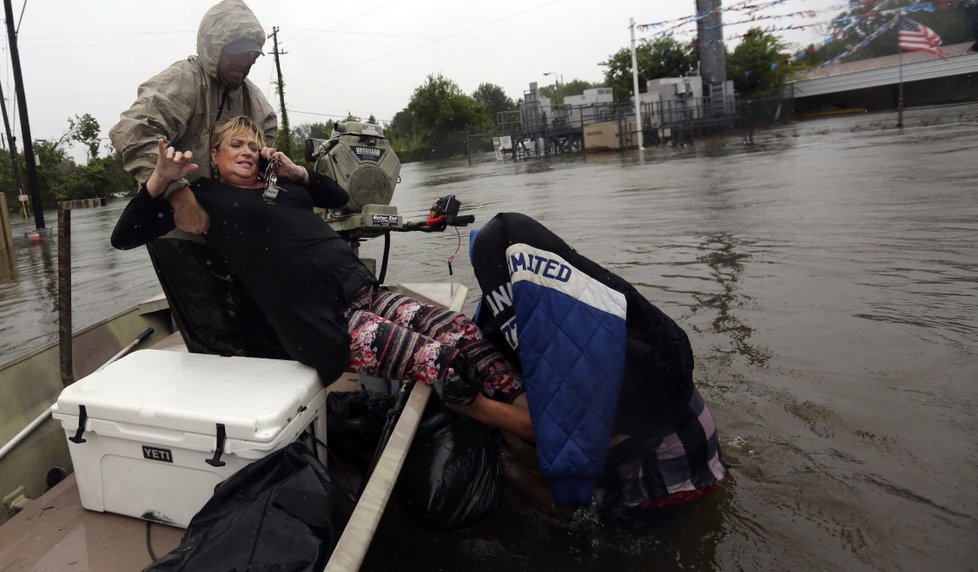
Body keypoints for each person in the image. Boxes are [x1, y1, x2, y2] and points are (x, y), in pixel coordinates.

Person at [110, 116, 520, 406]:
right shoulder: (206, 197)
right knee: (443, 362)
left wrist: (297, 172)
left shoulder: (280, 185)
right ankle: (526, 432)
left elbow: (339, 199)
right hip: (326, 322)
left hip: (364, 292)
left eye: (254, 146)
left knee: (461, 332)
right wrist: (161, 180)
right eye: (236, 145)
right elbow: (124, 236)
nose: (248, 152)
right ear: (214, 155)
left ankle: (528, 404)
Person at [456, 212, 730, 513]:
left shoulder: (573, 345)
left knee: (603, 531)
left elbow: (560, 426)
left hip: (668, 463)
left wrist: (477, 409)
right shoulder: (590, 292)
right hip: (693, 427)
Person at [109, 0, 282, 358]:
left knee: (261, 324)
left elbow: (267, 158)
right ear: (213, 46)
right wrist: (179, 196)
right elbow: (132, 131)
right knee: (215, 338)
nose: (246, 61)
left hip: (231, 227)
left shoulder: (256, 102)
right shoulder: (184, 80)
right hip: (178, 231)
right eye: (237, 51)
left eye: (253, 53)